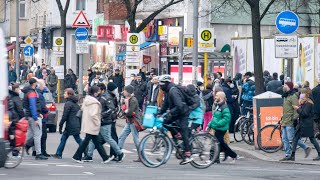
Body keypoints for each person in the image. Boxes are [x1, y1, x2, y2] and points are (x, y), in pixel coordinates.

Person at [84, 83, 125, 162]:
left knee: (108, 138)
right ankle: (89, 155)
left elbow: (111, 108)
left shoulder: (106, 97)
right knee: (93, 138)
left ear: (102, 90)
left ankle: (119, 153)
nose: (97, 91)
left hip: (105, 121)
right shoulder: (99, 97)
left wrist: (102, 115)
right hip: (99, 121)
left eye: (98, 89)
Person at [157, 75, 192, 165]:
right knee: (165, 123)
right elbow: (165, 104)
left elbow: (179, 106)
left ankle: (188, 154)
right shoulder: (168, 91)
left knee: (184, 132)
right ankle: (177, 135)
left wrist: (170, 112)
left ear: (167, 83)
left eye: (161, 84)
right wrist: (160, 112)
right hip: (176, 112)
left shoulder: (173, 91)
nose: (160, 86)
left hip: (183, 112)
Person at [72, 86, 113, 163]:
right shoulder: (94, 103)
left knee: (96, 141)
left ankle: (105, 157)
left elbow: (83, 110)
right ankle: (77, 156)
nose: (98, 93)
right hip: (92, 124)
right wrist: (98, 122)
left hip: (88, 123)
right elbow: (94, 115)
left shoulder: (87, 100)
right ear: (94, 93)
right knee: (87, 141)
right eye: (97, 92)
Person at [285, 93, 320, 161]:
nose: (299, 100)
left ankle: (319, 153)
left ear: (304, 99)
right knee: (295, 138)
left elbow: (304, 114)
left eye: (300, 98)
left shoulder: (309, 104)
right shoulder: (305, 104)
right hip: (303, 125)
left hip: (307, 125)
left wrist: (297, 109)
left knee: (312, 139)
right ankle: (292, 155)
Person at [280, 82, 310, 161]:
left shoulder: (293, 96)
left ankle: (306, 147)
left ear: (289, 87)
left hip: (290, 120)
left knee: (292, 138)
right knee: (284, 138)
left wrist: (294, 119)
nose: (284, 87)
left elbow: (296, 109)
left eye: (286, 85)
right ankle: (287, 154)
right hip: (284, 120)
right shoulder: (285, 96)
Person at [208, 91, 238, 163]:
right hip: (217, 127)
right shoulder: (218, 105)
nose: (215, 97)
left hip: (221, 128)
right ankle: (216, 158)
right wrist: (209, 125)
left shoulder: (224, 107)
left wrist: (218, 124)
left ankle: (232, 155)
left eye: (217, 96)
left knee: (218, 143)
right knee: (219, 143)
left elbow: (227, 118)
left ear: (221, 97)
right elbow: (214, 117)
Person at [51, 89, 82, 159]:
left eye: (65, 93)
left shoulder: (68, 104)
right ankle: (58, 153)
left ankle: (87, 152)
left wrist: (60, 125)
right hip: (74, 124)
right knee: (64, 138)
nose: (64, 94)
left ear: (69, 94)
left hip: (71, 125)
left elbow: (65, 116)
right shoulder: (75, 103)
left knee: (78, 140)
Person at [23, 78, 48, 160]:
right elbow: (33, 106)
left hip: (29, 116)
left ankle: (19, 149)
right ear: (34, 84)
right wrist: (36, 117)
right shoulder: (32, 93)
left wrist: (38, 113)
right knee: (37, 135)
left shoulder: (27, 92)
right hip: (33, 117)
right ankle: (38, 153)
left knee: (29, 134)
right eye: (36, 83)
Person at [118, 85, 141, 162]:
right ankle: (118, 153)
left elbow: (130, 112)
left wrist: (124, 111)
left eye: (124, 90)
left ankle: (141, 156)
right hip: (129, 121)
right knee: (121, 136)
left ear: (128, 92)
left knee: (136, 140)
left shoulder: (133, 100)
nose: (123, 92)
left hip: (134, 122)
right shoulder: (128, 99)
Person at [8, 83, 24, 148]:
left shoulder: (10, 96)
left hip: (11, 118)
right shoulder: (16, 98)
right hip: (16, 118)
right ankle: (15, 151)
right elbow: (20, 109)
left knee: (12, 135)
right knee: (16, 137)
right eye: (19, 88)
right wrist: (23, 116)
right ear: (16, 89)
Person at [107, 82, 120, 158]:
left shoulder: (113, 96)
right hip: (110, 119)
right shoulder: (110, 97)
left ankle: (113, 154)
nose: (116, 90)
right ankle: (115, 154)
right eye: (115, 89)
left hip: (111, 119)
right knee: (112, 137)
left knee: (108, 137)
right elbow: (111, 109)